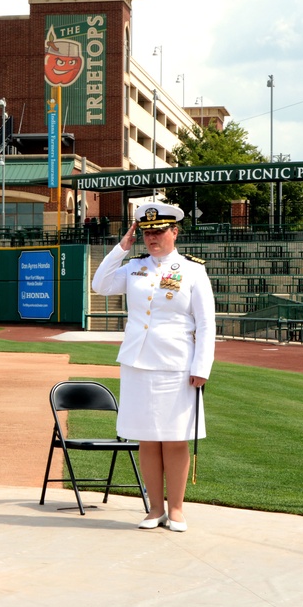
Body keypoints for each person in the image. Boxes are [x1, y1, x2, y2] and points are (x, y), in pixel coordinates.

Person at [91, 202, 215, 532]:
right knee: (147, 438)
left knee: (175, 438)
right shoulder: (134, 267)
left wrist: (202, 365)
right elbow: (99, 285)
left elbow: (205, 324)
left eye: (159, 231)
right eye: (146, 232)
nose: (152, 238)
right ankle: (154, 508)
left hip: (176, 364)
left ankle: (176, 509)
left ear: (175, 232)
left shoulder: (192, 271)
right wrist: (121, 248)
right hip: (137, 361)